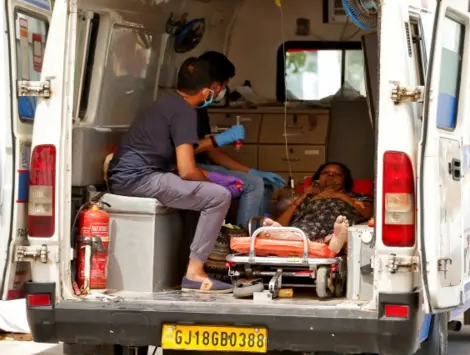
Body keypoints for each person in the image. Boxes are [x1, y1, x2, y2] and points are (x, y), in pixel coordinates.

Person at [108, 57, 240, 293]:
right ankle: (194, 274)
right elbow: (188, 170)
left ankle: (192, 265)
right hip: (139, 178)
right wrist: (214, 184)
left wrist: (208, 179)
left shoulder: (165, 103)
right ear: (206, 91)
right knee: (218, 197)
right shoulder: (185, 112)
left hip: (129, 175)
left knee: (204, 197)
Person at [194, 51, 286, 226]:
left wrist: (251, 171)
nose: (222, 91)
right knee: (253, 184)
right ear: (213, 83)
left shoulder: (200, 109)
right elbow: (183, 151)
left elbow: (212, 152)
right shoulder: (186, 108)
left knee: (265, 184)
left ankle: (258, 232)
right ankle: (243, 241)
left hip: (203, 163)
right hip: (189, 166)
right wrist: (218, 139)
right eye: (223, 85)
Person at [261, 162, 373, 254]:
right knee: (290, 230)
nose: (330, 175)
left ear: (345, 180)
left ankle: (328, 241)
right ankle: (296, 238)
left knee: (339, 228)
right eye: (326, 173)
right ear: (318, 178)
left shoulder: (357, 197)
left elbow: (367, 213)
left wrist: (341, 196)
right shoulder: (307, 198)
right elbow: (281, 223)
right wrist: (302, 197)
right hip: (303, 228)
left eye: (336, 174)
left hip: (335, 228)